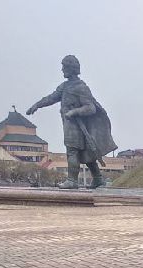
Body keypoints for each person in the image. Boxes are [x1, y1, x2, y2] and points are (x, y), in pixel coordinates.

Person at [26, 55, 117, 189]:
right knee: (86, 154)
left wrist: (74, 112)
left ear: (71, 68)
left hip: (76, 126)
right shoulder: (65, 86)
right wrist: (37, 105)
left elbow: (90, 107)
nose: (62, 70)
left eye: (64, 67)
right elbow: (51, 98)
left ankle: (72, 181)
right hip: (69, 125)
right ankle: (97, 179)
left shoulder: (81, 87)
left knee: (73, 151)